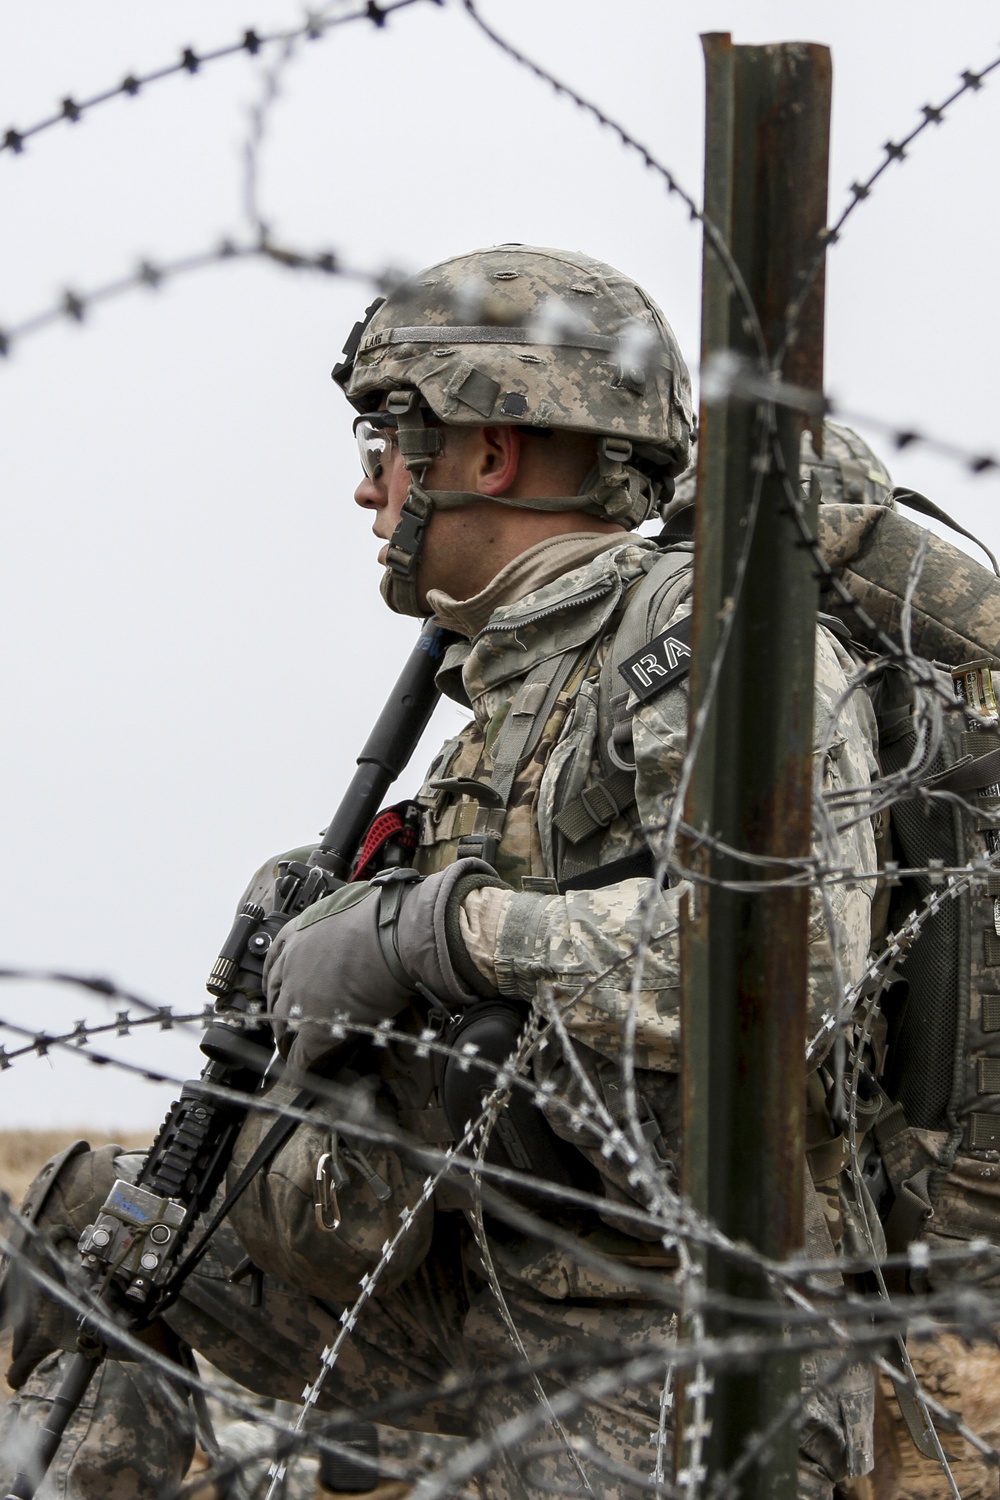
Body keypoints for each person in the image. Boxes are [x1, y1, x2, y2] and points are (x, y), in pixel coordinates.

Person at [0, 245, 879, 1498]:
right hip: (479, 1295)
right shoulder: (506, 698)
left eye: (382, 453)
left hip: (675, 1342)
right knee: (106, 1227)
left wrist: (431, 935)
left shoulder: (707, 642)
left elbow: (785, 961)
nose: (367, 497)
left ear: (486, 454)